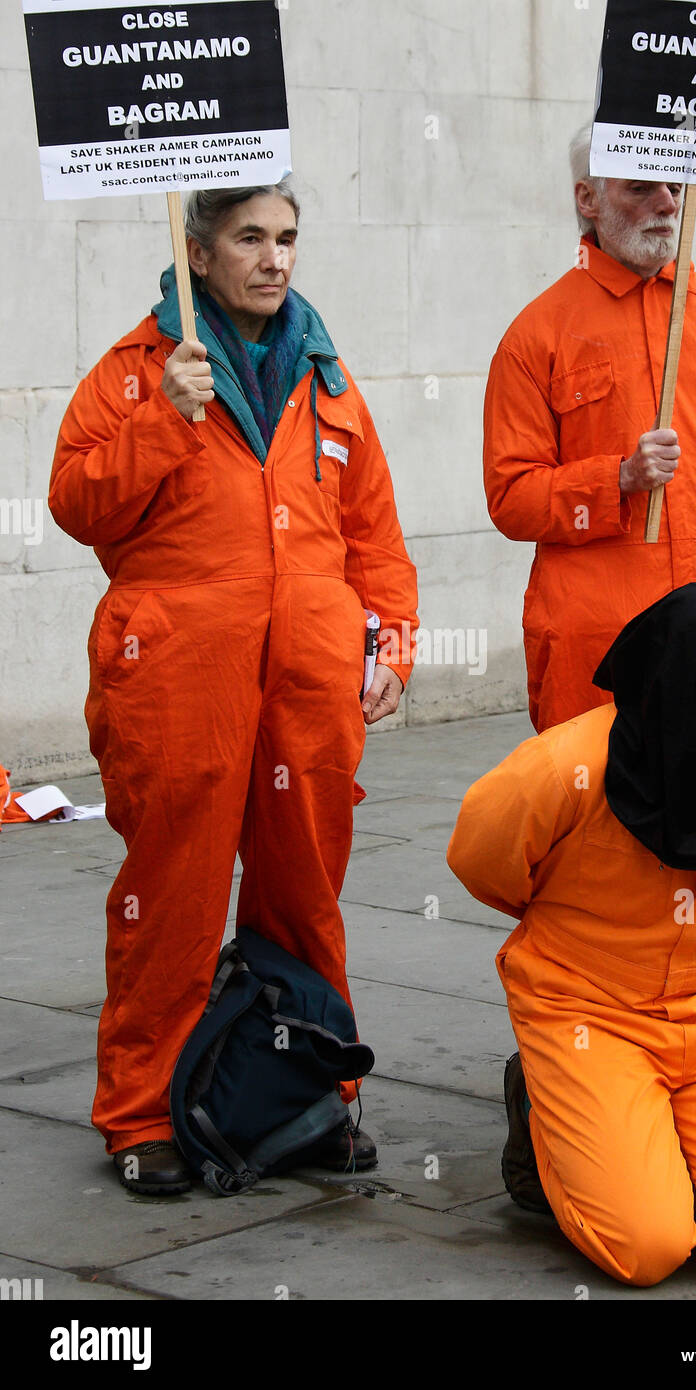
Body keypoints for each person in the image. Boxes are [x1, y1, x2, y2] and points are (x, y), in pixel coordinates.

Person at [49, 180, 419, 1194]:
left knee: (304, 892)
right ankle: (140, 1114)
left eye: (287, 237)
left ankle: (301, 1096)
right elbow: (77, 504)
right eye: (249, 237)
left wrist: (387, 643)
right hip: (177, 673)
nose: (274, 258)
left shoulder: (327, 377)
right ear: (198, 250)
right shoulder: (138, 371)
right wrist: (165, 417)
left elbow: (374, 541)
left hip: (307, 682)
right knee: (172, 894)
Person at [447, 582, 696, 1287]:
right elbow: (481, 857)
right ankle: (547, 1115)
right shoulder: (563, 772)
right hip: (588, 1012)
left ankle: (663, 1139)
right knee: (647, 1246)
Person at [484, 127, 696, 732]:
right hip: (600, 646)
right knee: (601, 823)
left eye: (676, 184)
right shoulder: (536, 335)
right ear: (587, 199)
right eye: (641, 187)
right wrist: (618, 479)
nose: (667, 202)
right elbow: (512, 500)